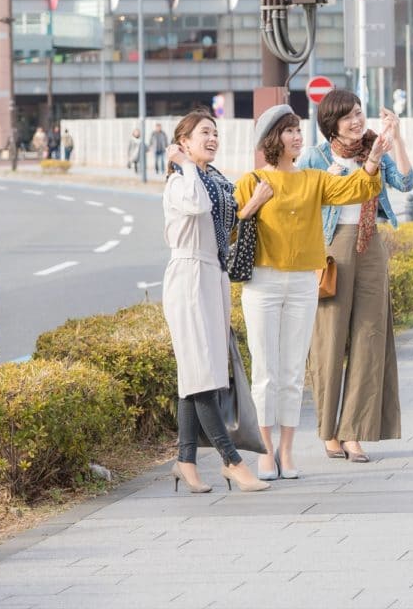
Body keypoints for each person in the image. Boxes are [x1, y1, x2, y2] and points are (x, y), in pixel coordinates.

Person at [234, 104, 390, 481]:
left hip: (304, 282)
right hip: (262, 282)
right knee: (265, 372)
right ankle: (265, 452)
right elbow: (230, 227)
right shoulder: (251, 180)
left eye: (298, 130)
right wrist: (254, 203)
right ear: (271, 139)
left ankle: (287, 452)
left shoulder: (313, 179)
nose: (297, 136)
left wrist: (373, 158)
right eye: (289, 131)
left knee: (291, 372)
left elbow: (357, 188)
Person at [300, 91, 413, 463]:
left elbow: (406, 183)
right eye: (347, 116)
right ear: (331, 123)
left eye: (359, 113)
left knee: (370, 336)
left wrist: (396, 139)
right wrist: (323, 181)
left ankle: (353, 431)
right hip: (331, 249)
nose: (356, 121)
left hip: (370, 246)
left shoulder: (374, 149)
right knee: (329, 339)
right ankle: (328, 430)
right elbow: (297, 199)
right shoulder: (316, 157)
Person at [162, 108, 270, 494]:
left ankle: (185, 461)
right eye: (204, 133)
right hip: (189, 275)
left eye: (215, 133)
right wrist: (184, 165)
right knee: (202, 375)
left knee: (199, 372)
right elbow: (197, 206)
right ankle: (232, 462)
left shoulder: (216, 179)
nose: (212, 139)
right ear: (183, 142)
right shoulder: (181, 182)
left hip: (214, 275)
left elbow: (228, 223)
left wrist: (252, 204)